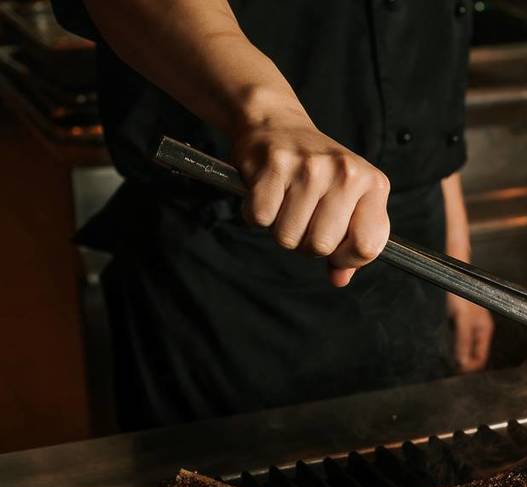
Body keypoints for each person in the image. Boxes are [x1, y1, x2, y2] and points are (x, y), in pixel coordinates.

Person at [53, 0, 494, 430]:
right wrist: (271, 116)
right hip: (225, 262)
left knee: (413, 485)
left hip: (411, 246)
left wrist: (456, 253)